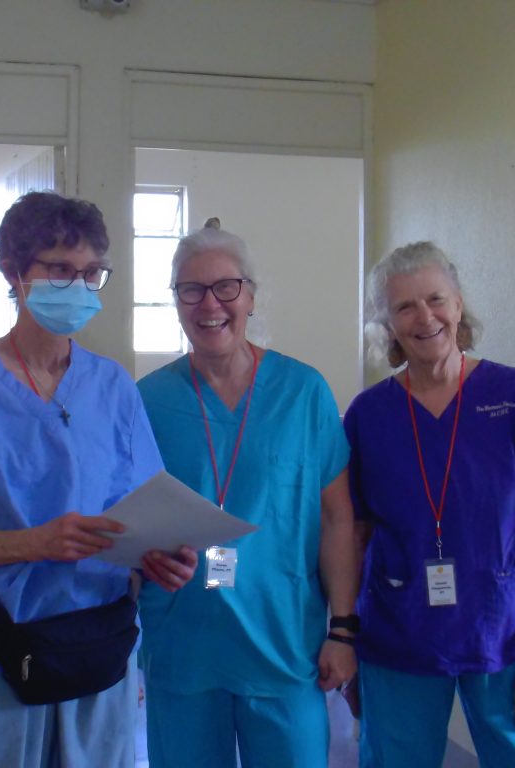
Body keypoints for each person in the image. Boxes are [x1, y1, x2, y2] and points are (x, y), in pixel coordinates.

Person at [0, 191, 197, 768]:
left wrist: (162, 561)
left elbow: (143, 514)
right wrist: (35, 543)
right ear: (14, 271)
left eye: (91, 273)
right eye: (59, 270)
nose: (78, 287)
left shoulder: (112, 386)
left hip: (98, 647)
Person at [343, 241, 515, 767]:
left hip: (505, 630)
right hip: (398, 630)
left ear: (458, 305)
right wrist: (344, 638)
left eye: (436, 299)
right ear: (388, 325)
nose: (424, 317)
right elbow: (353, 537)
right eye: (405, 307)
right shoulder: (369, 415)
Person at [135, 221, 359, 768]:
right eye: (191, 290)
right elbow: (129, 524)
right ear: (177, 302)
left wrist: (343, 629)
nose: (210, 304)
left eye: (226, 287)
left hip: (283, 648)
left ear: (251, 297)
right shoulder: (147, 401)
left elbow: (337, 520)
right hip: (183, 647)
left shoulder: (304, 393)